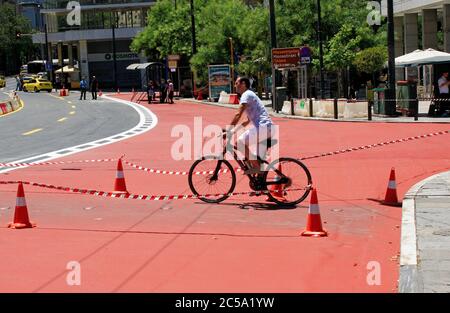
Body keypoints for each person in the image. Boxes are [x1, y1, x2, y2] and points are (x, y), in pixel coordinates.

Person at [230, 76, 275, 174]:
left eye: (236, 83)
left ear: (243, 84)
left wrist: (229, 129)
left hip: (263, 127)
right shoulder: (250, 95)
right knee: (255, 158)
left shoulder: (246, 94)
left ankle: (256, 167)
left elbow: (238, 114)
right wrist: (233, 131)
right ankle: (261, 182)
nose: (235, 85)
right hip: (267, 128)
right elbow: (246, 121)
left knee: (239, 143)